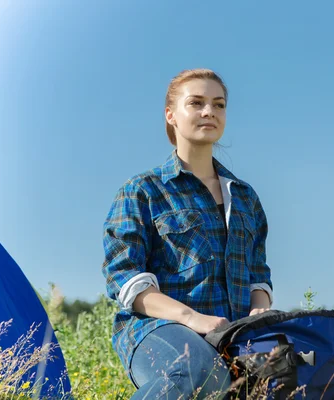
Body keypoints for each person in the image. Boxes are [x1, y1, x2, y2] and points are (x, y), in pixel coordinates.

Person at [102, 69, 273, 399]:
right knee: (197, 369)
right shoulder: (142, 191)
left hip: (230, 335)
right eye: (196, 103)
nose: (209, 112)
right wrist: (193, 318)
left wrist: (259, 311)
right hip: (157, 328)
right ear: (171, 115)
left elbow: (259, 275)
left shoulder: (245, 198)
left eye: (218, 105)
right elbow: (125, 280)